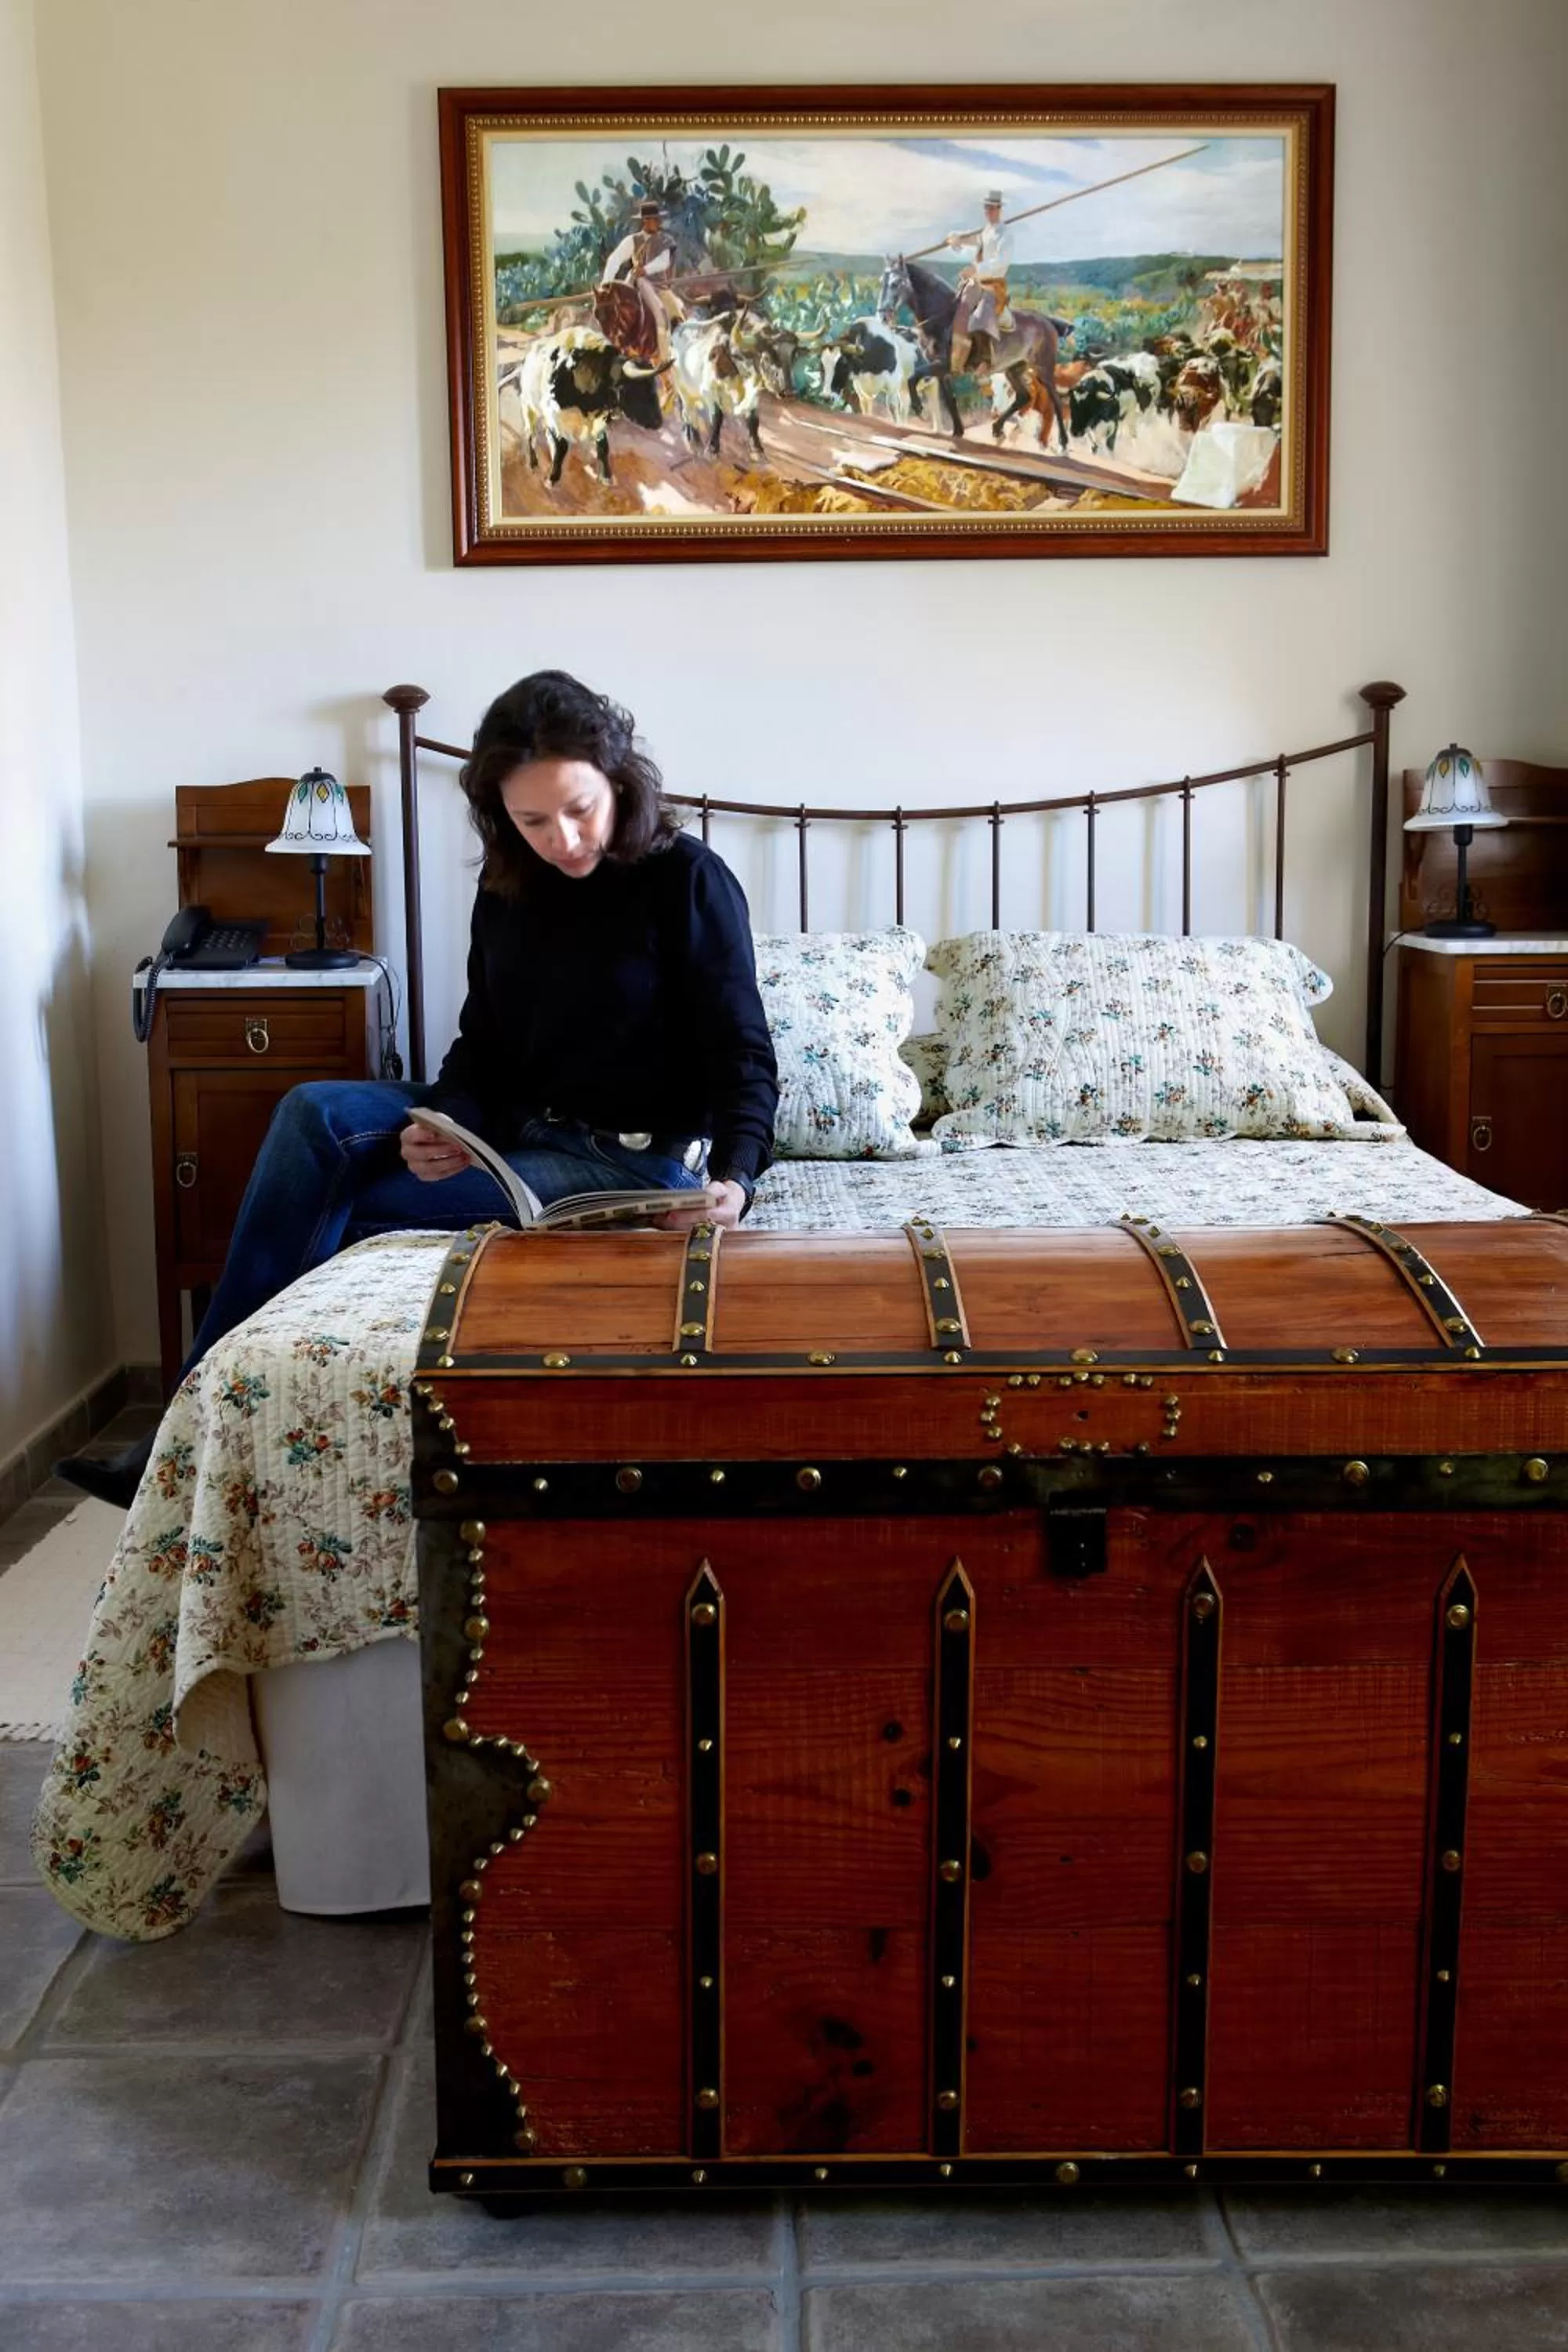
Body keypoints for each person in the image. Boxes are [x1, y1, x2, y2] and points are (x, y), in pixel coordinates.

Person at [60, 670, 780, 1508]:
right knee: (313, 1113)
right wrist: (443, 1123)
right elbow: (484, 1044)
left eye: (580, 808)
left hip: (628, 1164)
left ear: (617, 779)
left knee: (335, 1209)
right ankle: (188, 1427)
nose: (565, 838)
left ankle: (174, 1453)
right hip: (517, 1134)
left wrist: (737, 1175)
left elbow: (743, 1053)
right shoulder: (509, 884)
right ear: (499, 815)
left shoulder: (687, 880)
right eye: (533, 819)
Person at [598, 197, 684, 368]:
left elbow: (663, 262)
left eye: (657, 219)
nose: (657, 222)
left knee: (674, 312)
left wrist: (645, 270)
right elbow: (615, 260)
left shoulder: (665, 240)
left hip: (658, 286)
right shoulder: (633, 240)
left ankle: (667, 355)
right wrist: (605, 285)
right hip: (635, 284)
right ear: (646, 221)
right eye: (654, 219)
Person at [946, 190, 1014, 379]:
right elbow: (973, 239)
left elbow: (1001, 263)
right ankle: (957, 358)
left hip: (994, 283)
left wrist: (976, 269)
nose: (988, 211)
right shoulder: (986, 230)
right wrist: (956, 238)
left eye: (992, 208)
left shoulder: (1005, 235)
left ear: (999, 209)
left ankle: (985, 359)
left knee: (982, 314)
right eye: (986, 207)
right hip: (977, 281)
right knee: (960, 306)